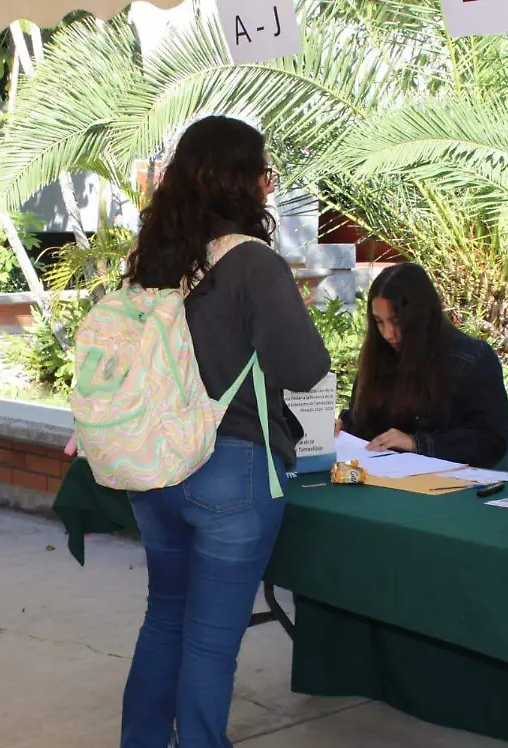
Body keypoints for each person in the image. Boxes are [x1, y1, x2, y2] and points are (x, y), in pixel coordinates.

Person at [119, 116, 330, 748]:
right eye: (265, 172)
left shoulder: (155, 259)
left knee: (164, 620)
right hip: (230, 470)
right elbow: (305, 367)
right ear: (241, 181)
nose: (270, 185)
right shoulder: (252, 263)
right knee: (211, 644)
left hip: (154, 462)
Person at [337, 263, 508, 468]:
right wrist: (344, 427)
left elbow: (491, 440)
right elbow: (367, 422)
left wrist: (415, 443)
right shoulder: (378, 355)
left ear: (420, 318)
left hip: (448, 486)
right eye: (379, 322)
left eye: (396, 322)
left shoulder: (471, 359)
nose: (388, 334)